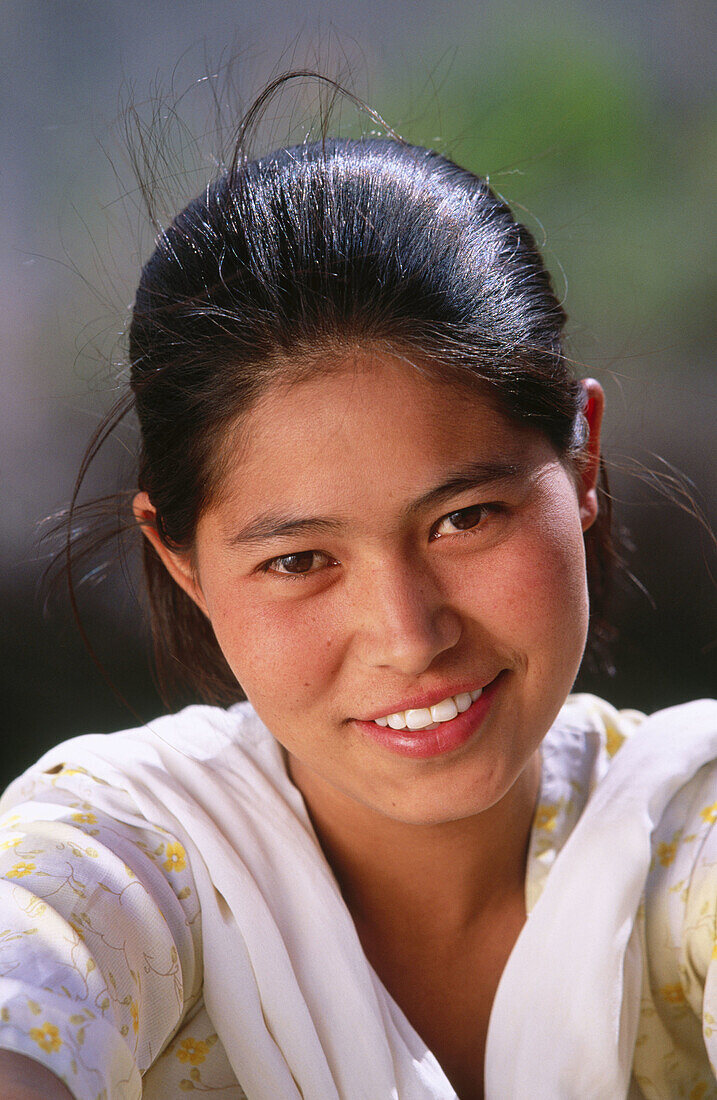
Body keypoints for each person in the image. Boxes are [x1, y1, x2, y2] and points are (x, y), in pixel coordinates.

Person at [0, 81, 715, 1100]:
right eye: (299, 561)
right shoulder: (122, 847)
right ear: (182, 560)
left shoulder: (688, 824)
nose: (408, 634)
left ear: (583, 459)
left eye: (464, 517)